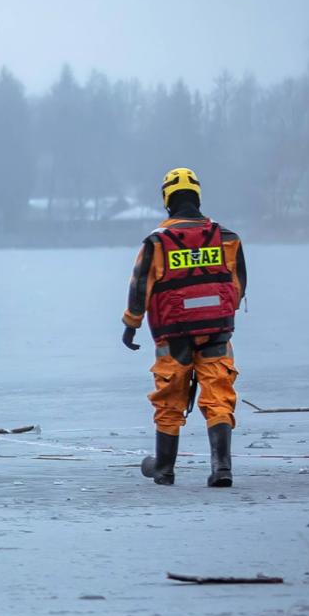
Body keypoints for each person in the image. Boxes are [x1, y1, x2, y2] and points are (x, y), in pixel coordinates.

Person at [122, 167, 247, 487]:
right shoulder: (227, 238)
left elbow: (140, 286)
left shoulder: (157, 243)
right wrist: (218, 313)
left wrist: (131, 324)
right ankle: (222, 468)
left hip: (173, 333)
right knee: (219, 395)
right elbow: (238, 283)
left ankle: (164, 468)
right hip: (216, 329)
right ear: (198, 197)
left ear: (167, 200)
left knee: (170, 398)